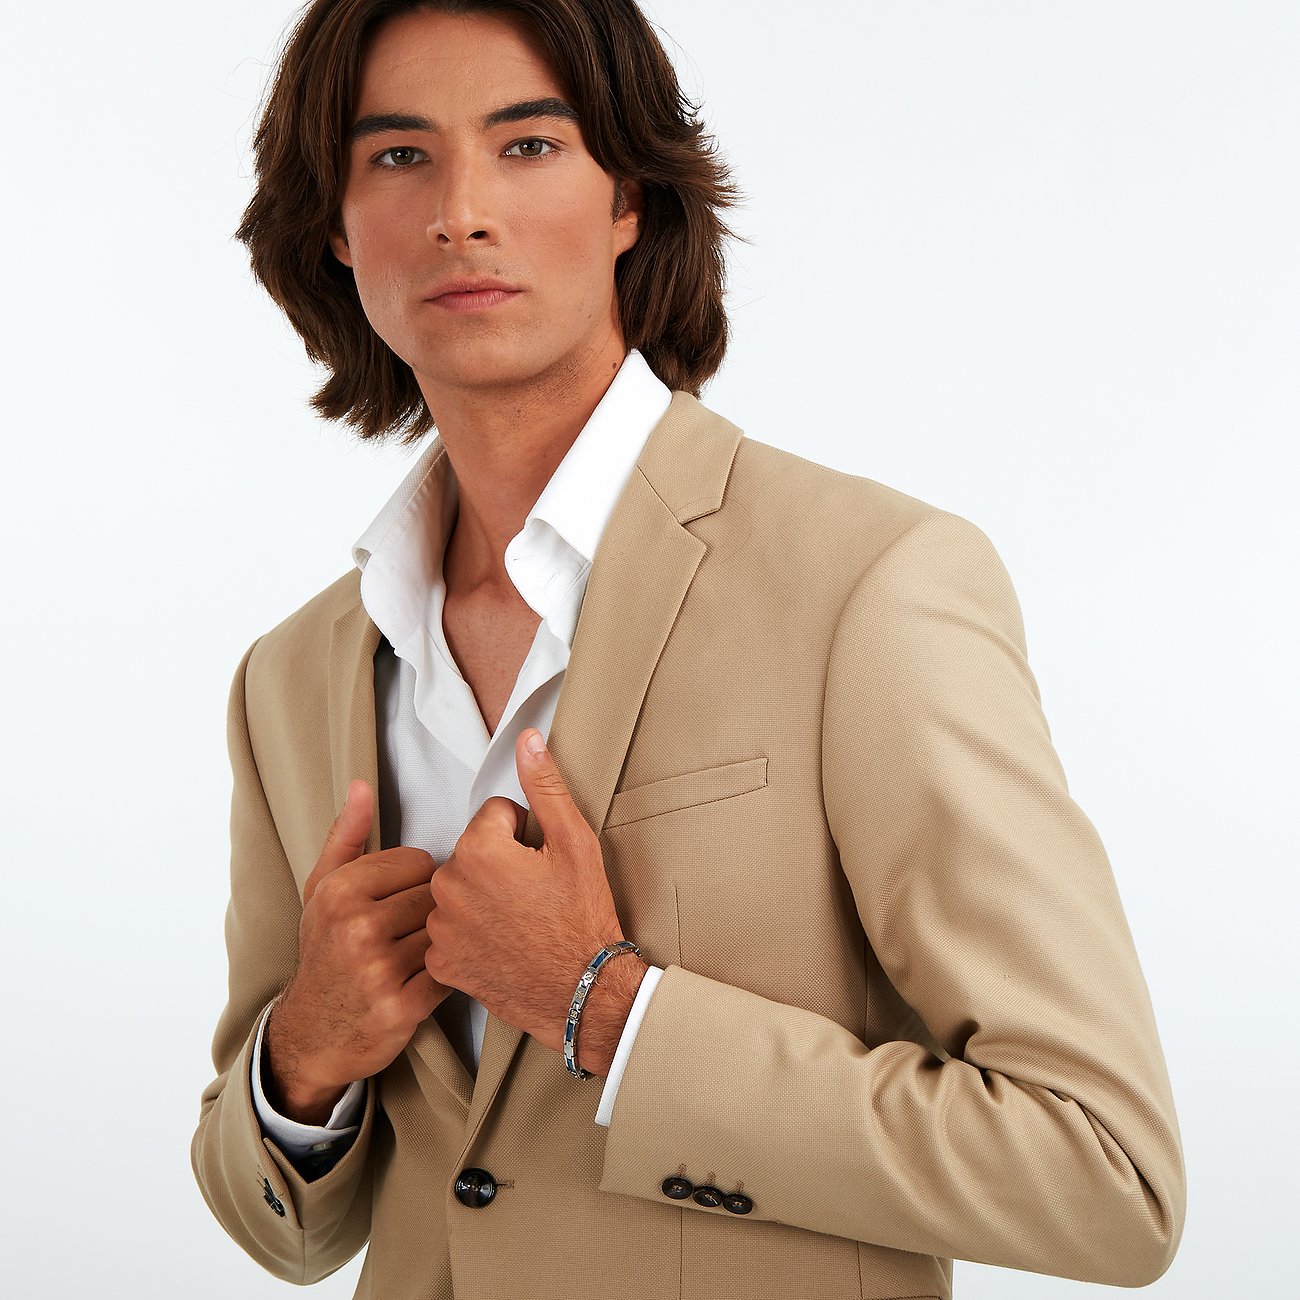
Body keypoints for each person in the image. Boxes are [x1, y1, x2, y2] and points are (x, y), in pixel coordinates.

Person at [191, 1, 1186, 1296]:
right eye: (399, 156)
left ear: (631, 198)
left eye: (529, 145)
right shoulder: (289, 678)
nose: (460, 213)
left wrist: (607, 1009)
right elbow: (285, 1230)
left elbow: (1106, 1176)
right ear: (334, 224)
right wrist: (301, 1061)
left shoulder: (868, 586)